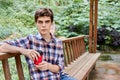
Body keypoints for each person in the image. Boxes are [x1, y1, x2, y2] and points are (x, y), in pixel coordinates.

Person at [0, 8, 76, 80]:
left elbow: (59, 68)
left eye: (47, 21)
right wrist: (23, 51)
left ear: (51, 23)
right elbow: (2, 46)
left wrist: (48, 66)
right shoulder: (30, 40)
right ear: (36, 23)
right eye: (40, 22)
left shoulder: (58, 43)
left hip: (59, 77)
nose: (43, 25)